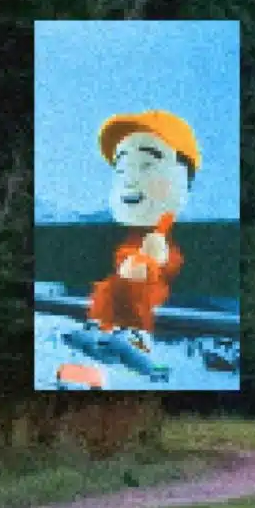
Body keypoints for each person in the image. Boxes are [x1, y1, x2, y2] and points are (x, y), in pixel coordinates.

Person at [85, 109, 200, 354]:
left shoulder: (168, 228)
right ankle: (105, 325)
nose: (129, 180)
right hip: (132, 271)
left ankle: (137, 334)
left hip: (153, 276)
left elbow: (167, 262)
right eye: (121, 169)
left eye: (147, 165)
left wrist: (155, 257)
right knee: (113, 285)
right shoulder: (128, 232)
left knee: (140, 279)